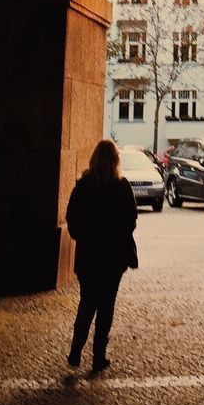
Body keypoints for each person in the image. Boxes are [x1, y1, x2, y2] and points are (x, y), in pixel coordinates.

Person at [65, 138, 138, 373]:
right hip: (113, 257)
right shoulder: (121, 186)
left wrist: (82, 236)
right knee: (106, 306)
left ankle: (76, 349)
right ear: (116, 160)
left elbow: (72, 218)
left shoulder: (83, 185)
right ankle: (98, 356)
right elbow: (131, 220)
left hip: (88, 255)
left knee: (87, 302)